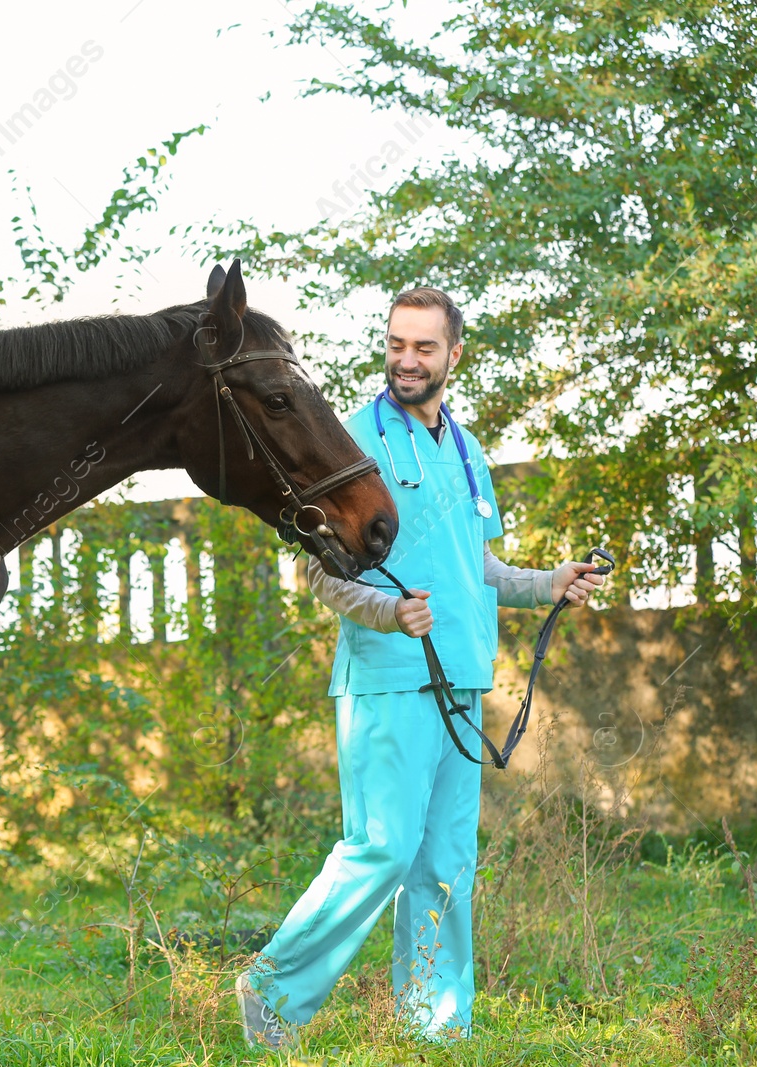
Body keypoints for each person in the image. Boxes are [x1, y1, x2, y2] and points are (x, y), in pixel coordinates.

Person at [236, 286, 606, 1048]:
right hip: (386, 678)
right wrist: (387, 611)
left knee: (444, 861)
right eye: (397, 343)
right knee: (382, 848)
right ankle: (272, 989)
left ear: (453, 354)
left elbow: (479, 568)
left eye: (424, 347)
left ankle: (434, 1026)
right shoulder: (351, 440)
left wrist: (550, 582)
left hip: (462, 679)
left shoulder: (468, 451)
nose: (407, 359)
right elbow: (320, 571)